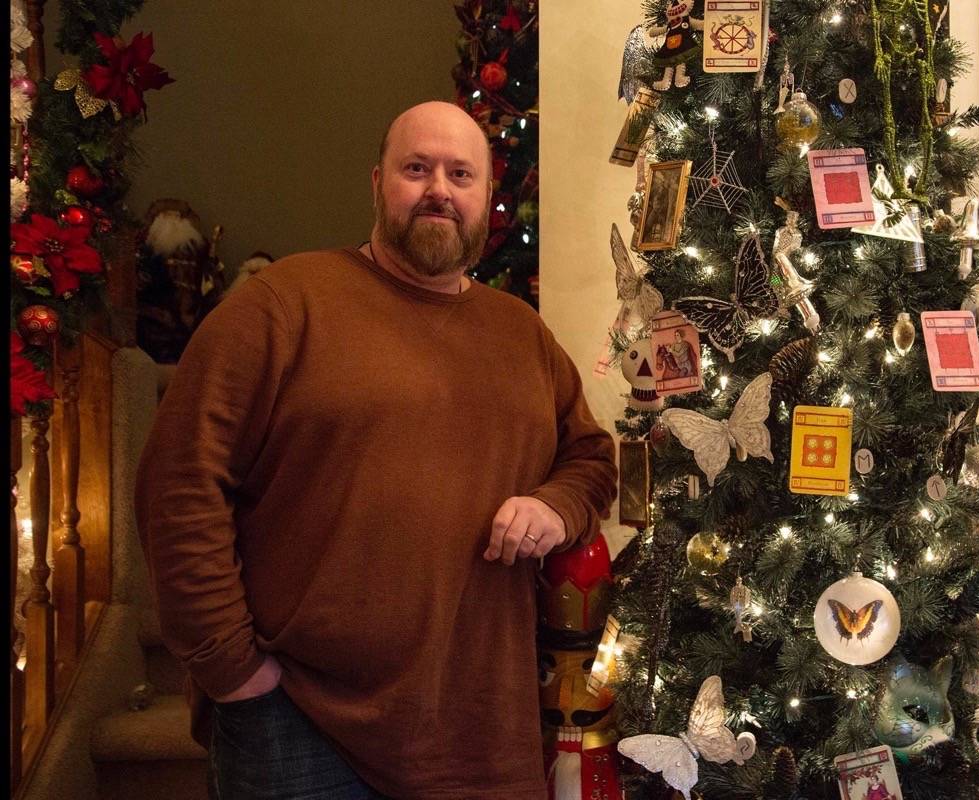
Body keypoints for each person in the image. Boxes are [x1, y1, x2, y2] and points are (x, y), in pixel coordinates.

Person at [135, 100, 617, 800]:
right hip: (299, 723)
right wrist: (231, 668)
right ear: (377, 183)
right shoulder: (283, 305)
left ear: (489, 198)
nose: (439, 191)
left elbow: (592, 460)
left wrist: (555, 507)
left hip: (479, 736)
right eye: (415, 168)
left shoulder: (522, 334)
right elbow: (179, 482)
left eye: (461, 174)